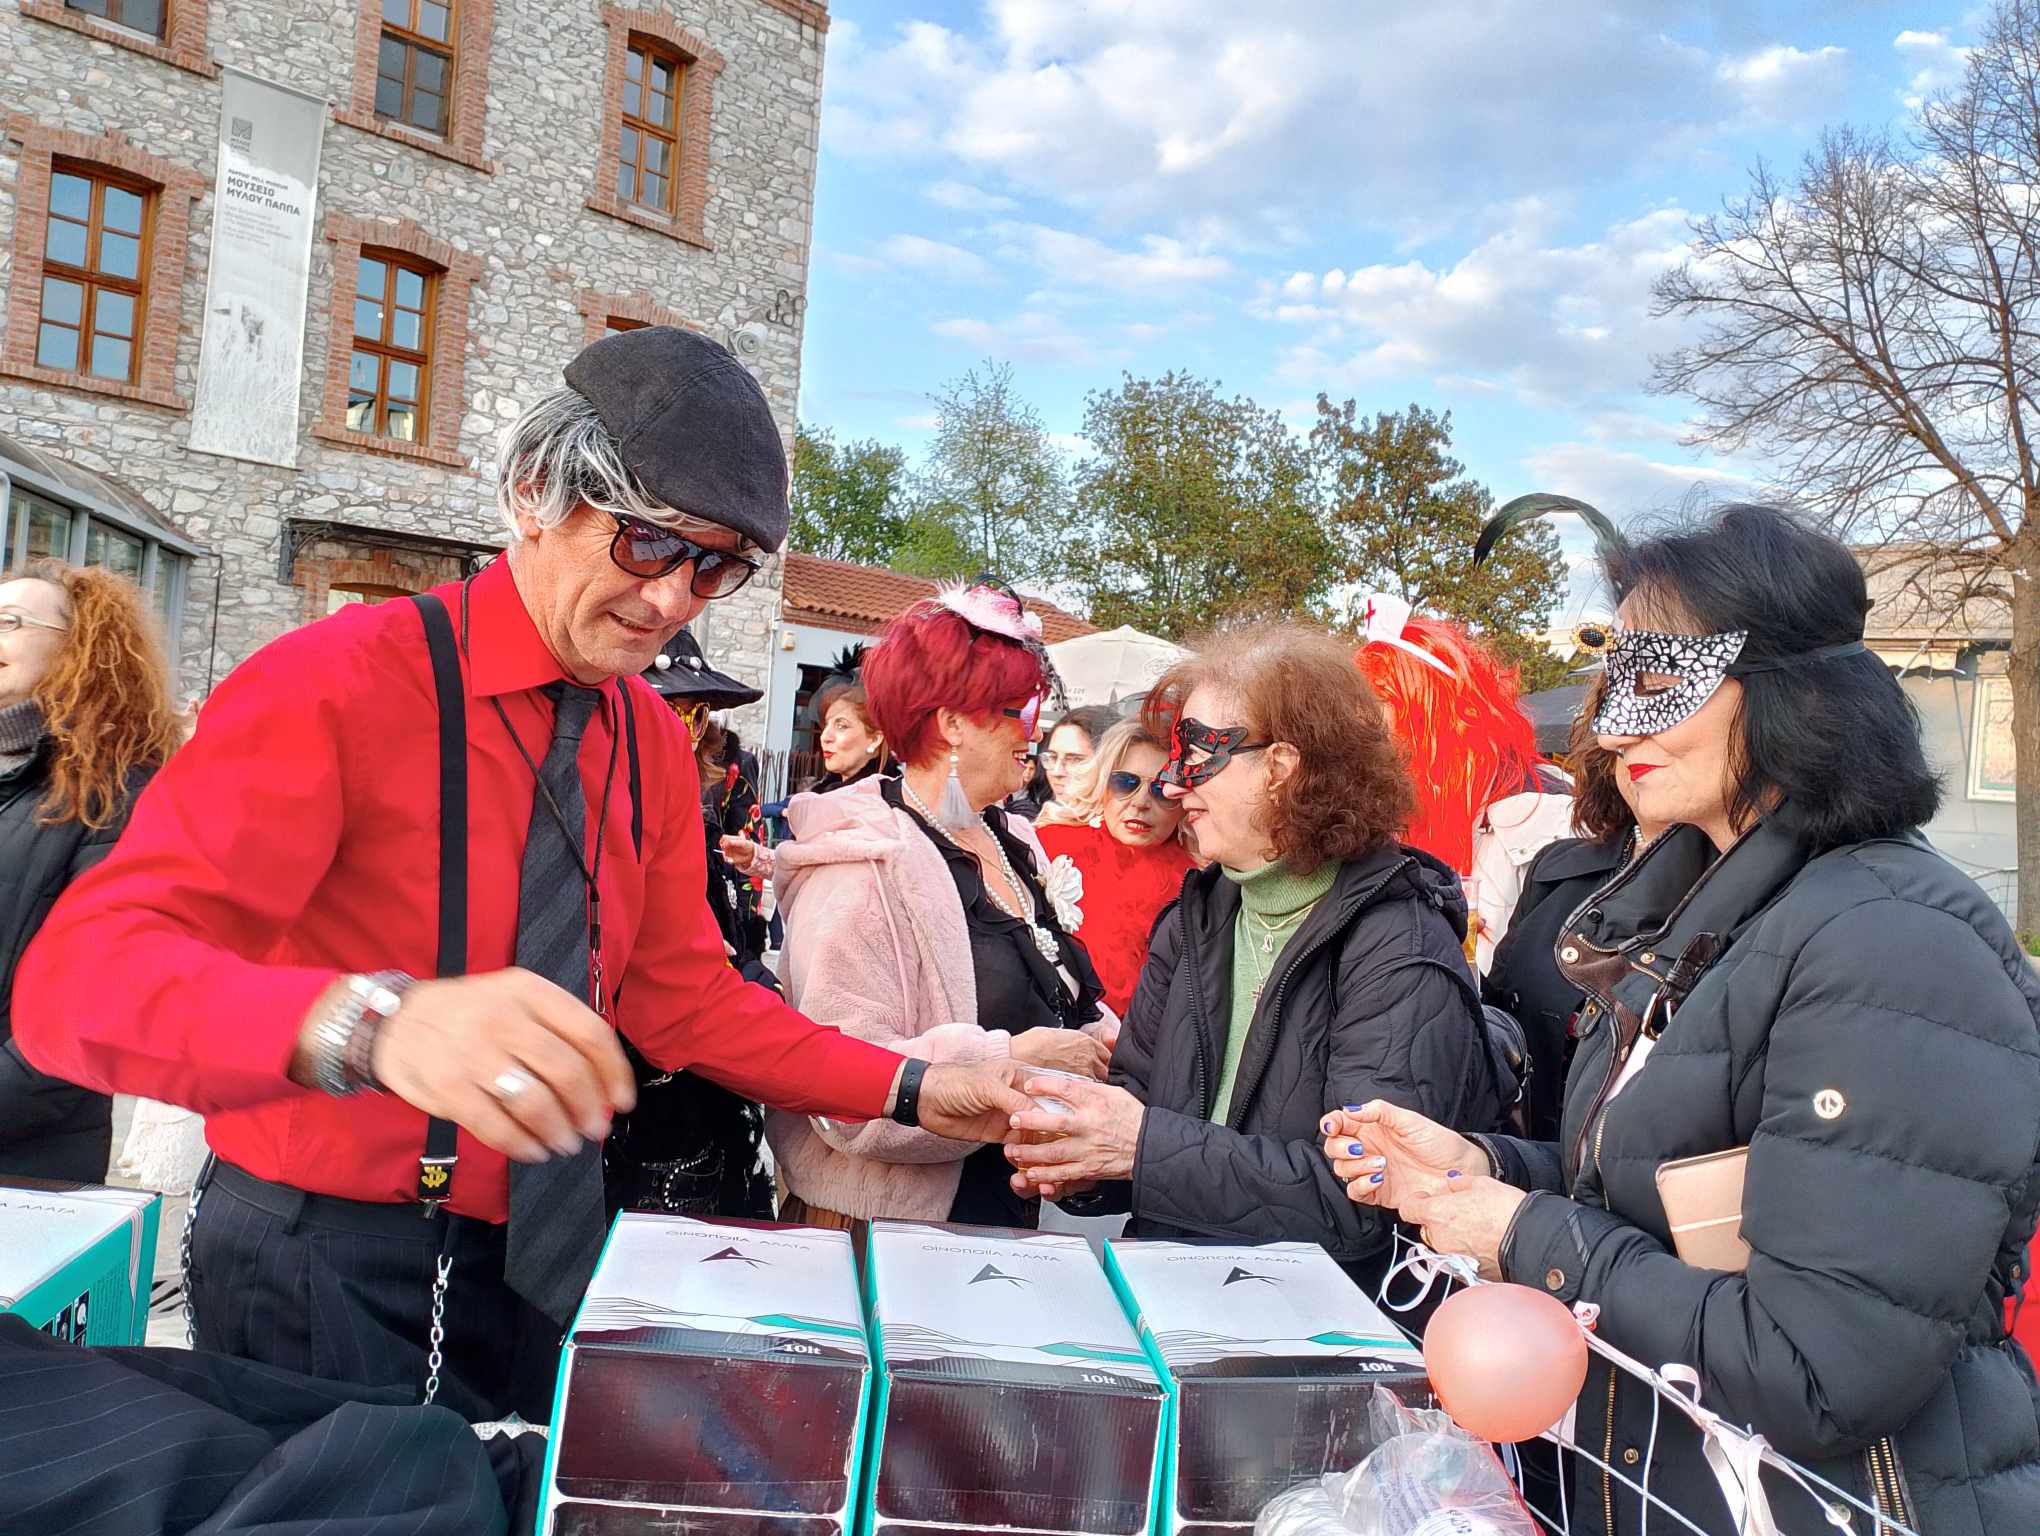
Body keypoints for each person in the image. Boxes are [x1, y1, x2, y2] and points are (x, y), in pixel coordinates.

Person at [11, 327, 1028, 1423]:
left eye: (715, 567)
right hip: (329, 1262)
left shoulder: (647, 734)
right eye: (648, 542)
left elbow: (683, 997)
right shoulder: (337, 680)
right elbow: (80, 985)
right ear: (537, 491)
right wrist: (370, 1026)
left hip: (552, 1246)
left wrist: (915, 1087)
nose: (676, 601)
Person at [1324, 504, 2040, 1536]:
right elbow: (1674, 1198)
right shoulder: (1710, 917)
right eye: (1613, 682)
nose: (1614, 727)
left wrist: (1521, 1233)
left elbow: (1822, 1367)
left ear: (1797, 693)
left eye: (1659, 681)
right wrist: (1485, 1171)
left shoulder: (1890, 944)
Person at [1004, 623, 1507, 1290]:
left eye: (1197, 757)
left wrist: (1139, 1147)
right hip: (1166, 1295)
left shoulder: (1399, 944)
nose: (1173, 787)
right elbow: (1141, 1106)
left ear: (1282, 767)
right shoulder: (1196, 917)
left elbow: (1364, 1202)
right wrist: (1078, 1152)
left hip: (1313, 1323)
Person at [767, 580, 1115, 1245]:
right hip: (885, 1232)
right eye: (1018, 709)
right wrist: (1009, 1060)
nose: (1034, 730)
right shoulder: (860, 860)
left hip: (1004, 1213)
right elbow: (835, 1083)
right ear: (952, 723)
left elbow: (1061, 990)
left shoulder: (1012, 839)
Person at [1, 560, 179, 1182]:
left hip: (25, 1159)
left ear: (79, 648)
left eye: (10, 622)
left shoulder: (116, 794)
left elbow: (95, 1007)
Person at [602, 629, 776, 1221]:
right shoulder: (593, 831)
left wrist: (747, 972)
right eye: (662, 712)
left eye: (695, 716)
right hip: (621, 1100)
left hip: (702, 1096)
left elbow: (730, 935)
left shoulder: (702, 826)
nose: (679, 733)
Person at [1481, 683, 1666, 1140]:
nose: (1622, 734)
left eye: (1663, 704)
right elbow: (1499, 1013)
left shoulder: (1764, 893)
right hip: (1528, 1161)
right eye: (1617, 712)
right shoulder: (1556, 870)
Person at [1354, 595, 1572, 973]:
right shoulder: (1382, 821)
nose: (1359, 741)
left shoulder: (1546, 820)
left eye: (1376, 712)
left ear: (1439, 716)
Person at [1034, 718, 1196, 1015]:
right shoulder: (1046, 850)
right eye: (1125, 782)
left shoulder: (1202, 887)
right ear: (1102, 783)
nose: (1141, 803)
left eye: (1162, 789)